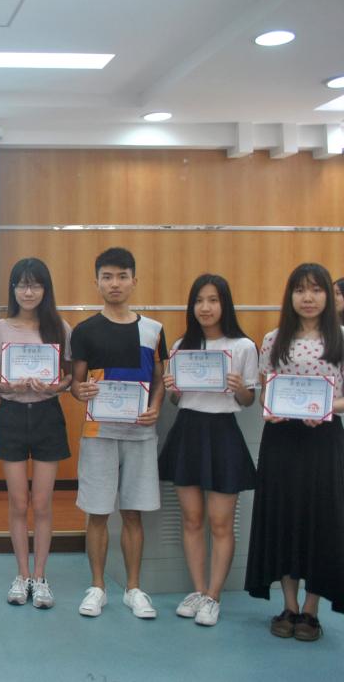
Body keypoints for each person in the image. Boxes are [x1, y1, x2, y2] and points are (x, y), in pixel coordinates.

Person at [245, 263, 344, 642]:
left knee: (321, 519)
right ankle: (288, 606)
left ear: (328, 296)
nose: (308, 298)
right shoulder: (273, 339)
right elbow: (265, 392)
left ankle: (311, 610)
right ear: (290, 296)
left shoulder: (341, 338)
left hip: (324, 441)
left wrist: (326, 408)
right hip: (281, 439)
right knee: (283, 517)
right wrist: (273, 407)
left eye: (316, 290)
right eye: (300, 290)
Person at [70, 247, 167, 619]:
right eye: (107, 277)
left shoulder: (153, 329)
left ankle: (133, 589)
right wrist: (79, 391)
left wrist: (155, 406)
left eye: (122, 276)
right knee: (97, 513)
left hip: (140, 434)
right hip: (98, 433)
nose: (115, 284)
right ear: (96, 282)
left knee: (132, 514)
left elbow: (159, 380)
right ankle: (97, 587)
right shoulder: (85, 331)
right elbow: (77, 384)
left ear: (134, 280)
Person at [158, 274, 258, 627]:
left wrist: (238, 387)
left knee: (220, 523)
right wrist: (172, 388)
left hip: (222, 434)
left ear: (224, 304)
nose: (205, 307)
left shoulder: (243, 346)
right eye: (199, 300)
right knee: (191, 519)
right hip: (188, 431)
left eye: (213, 300)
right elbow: (176, 399)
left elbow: (248, 400)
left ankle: (214, 596)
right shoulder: (182, 345)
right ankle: (198, 591)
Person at [0, 258, 72, 610]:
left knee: (42, 502)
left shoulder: (59, 327)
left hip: (47, 415)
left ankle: (40, 576)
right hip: (11, 415)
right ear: (13, 289)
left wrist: (55, 386)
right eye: (22, 284)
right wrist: (5, 386)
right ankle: (22, 575)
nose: (28, 292)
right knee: (18, 502)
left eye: (35, 285)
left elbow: (69, 376)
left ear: (45, 289)